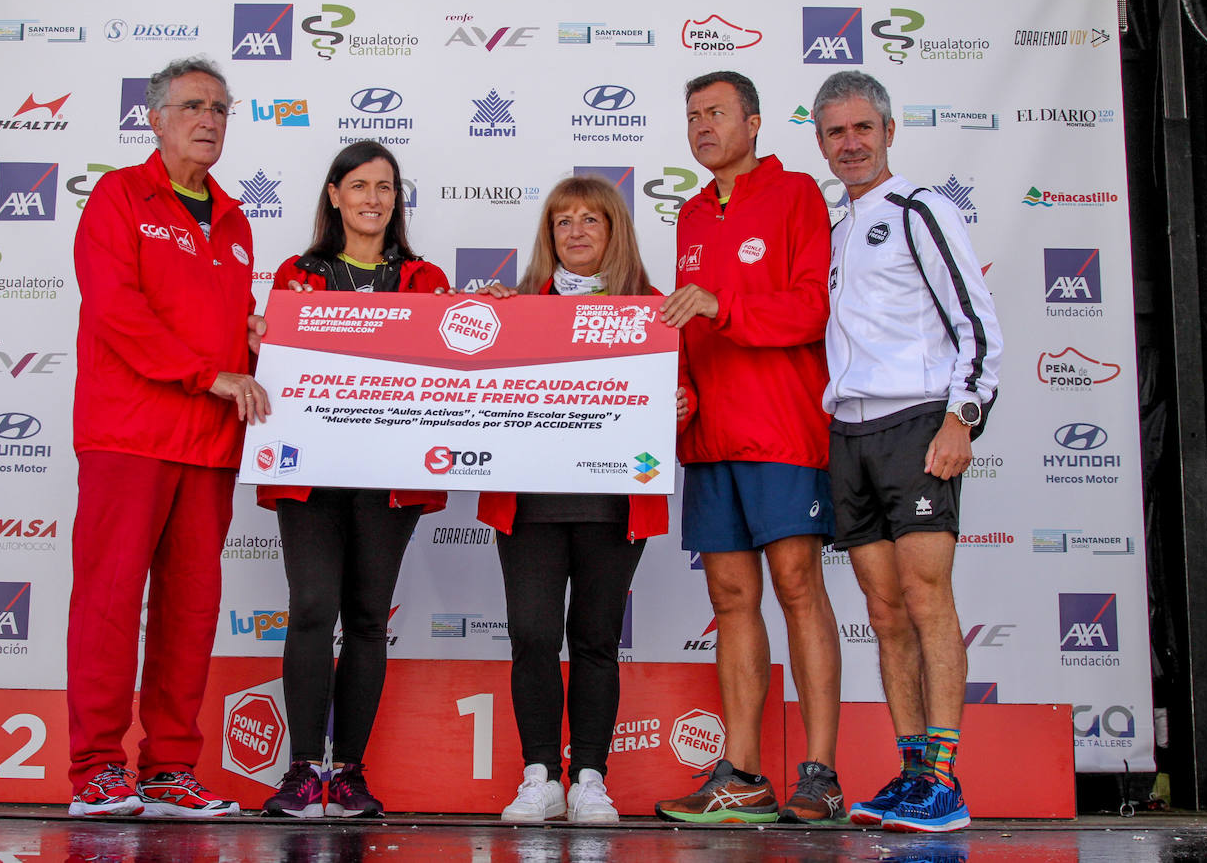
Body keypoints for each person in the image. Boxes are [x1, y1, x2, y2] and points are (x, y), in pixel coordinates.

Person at [67, 56, 269, 818]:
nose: (209, 119)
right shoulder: (121, 195)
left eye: (221, 107)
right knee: (110, 603)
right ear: (153, 119)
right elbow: (117, 312)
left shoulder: (237, 217)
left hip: (209, 443)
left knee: (190, 611)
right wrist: (206, 374)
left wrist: (255, 346)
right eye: (192, 105)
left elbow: (224, 332)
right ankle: (94, 769)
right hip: (130, 433)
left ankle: (168, 770)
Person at [812, 70, 1002, 833]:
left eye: (863, 128)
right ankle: (911, 772)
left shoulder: (922, 209)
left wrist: (963, 416)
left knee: (927, 601)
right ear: (821, 143)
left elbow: (977, 323)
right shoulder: (835, 227)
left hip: (917, 424)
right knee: (885, 611)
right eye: (835, 132)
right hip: (850, 434)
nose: (850, 143)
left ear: (889, 131)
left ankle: (946, 783)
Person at [655, 71, 846, 825]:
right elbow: (686, 325)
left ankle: (821, 773)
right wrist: (681, 397)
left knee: (799, 587)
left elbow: (812, 308)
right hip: (711, 438)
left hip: (783, 427)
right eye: (693, 115)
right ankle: (743, 774)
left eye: (717, 113)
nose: (703, 126)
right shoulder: (690, 214)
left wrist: (721, 305)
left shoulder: (798, 193)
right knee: (730, 599)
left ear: (756, 122)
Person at [473, 176, 685, 823]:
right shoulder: (516, 306)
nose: (577, 231)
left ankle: (591, 776)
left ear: (615, 231)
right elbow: (469, 377)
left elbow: (685, 395)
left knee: (593, 641)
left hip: (614, 506)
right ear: (549, 235)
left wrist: (681, 404)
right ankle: (539, 775)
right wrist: (483, 317)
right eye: (563, 221)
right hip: (528, 506)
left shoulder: (652, 307)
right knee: (532, 636)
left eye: (592, 219)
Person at [258, 140, 449, 819]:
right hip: (311, 473)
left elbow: (457, 363)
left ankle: (353, 776)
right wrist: (259, 342)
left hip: (389, 477)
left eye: (386, 188)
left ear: (398, 201)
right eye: (360, 185)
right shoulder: (295, 274)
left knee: (367, 620)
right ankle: (304, 769)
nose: (373, 199)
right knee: (312, 607)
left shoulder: (426, 282)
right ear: (334, 195)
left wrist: (490, 319)